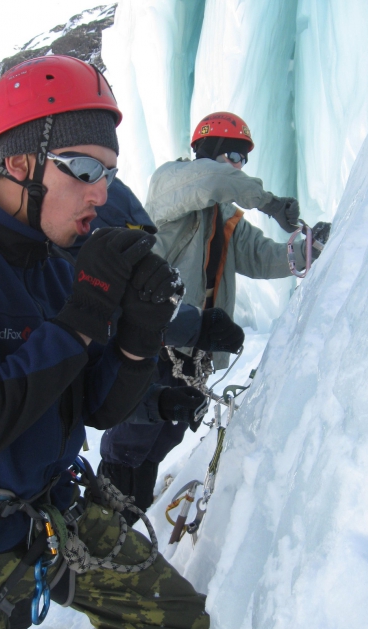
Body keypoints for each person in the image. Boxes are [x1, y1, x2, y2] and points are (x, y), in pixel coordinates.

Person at [0, 55, 209, 629]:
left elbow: (99, 406)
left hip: (55, 514)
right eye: (83, 169)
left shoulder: (57, 263)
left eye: (108, 173)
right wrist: (83, 312)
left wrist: (139, 330)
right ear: (19, 163)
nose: (101, 194)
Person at [98, 111, 331, 519]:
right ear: (208, 152)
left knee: (160, 438)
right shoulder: (171, 184)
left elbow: (263, 257)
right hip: (154, 340)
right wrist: (270, 202)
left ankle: (125, 525)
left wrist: (308, 249)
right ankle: (102, 520)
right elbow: (212, 180)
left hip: (195, 354)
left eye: (243, 159)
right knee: (132, 437)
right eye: (234, 155)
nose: (239, 166)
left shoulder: (226, 220)